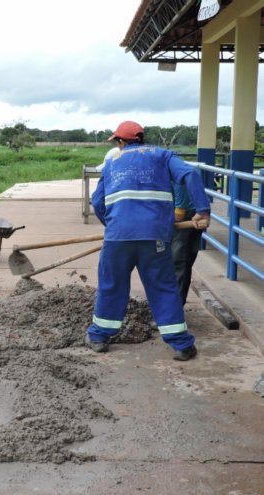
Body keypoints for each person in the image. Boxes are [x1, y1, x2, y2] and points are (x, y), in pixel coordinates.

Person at [86, 120, 211, 361]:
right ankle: (181, 345)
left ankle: (99, 337)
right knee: (163, 287)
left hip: (118, 237)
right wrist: (202, 210)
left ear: (121, 142)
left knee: (111, 285)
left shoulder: (112, 162)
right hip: (156, 236)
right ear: (141, 139)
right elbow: (190, 174)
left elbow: (98, 202)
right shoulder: (163, 155)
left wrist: (112, 226)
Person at [171, 172, 207, 306]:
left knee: (179, 261)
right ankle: (173, 304)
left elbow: (179, 215)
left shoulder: (177, 177)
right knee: (178, 261)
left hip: (188, 216)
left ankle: (176, 308)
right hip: (182, 214)